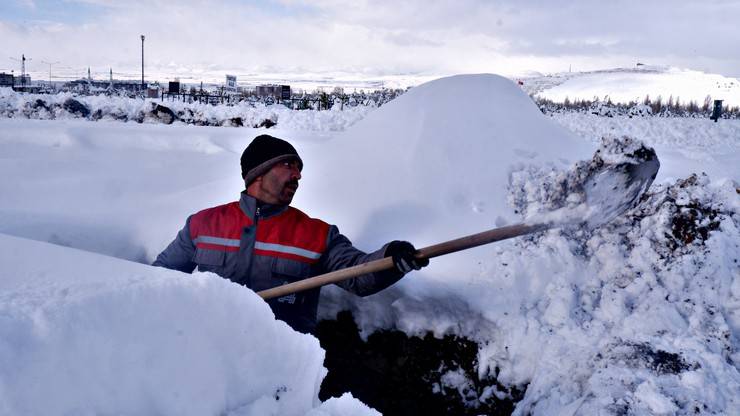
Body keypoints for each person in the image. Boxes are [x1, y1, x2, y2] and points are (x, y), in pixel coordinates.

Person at [153, 134, 428, 333]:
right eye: (288, 165)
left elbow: (359, 275)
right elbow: (159, 279)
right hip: (212, 352)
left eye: (299, 169)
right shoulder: (203, 224)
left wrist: (392, 259)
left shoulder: (316, 234)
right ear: (258, 173)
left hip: (282, 366)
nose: (297, 175)